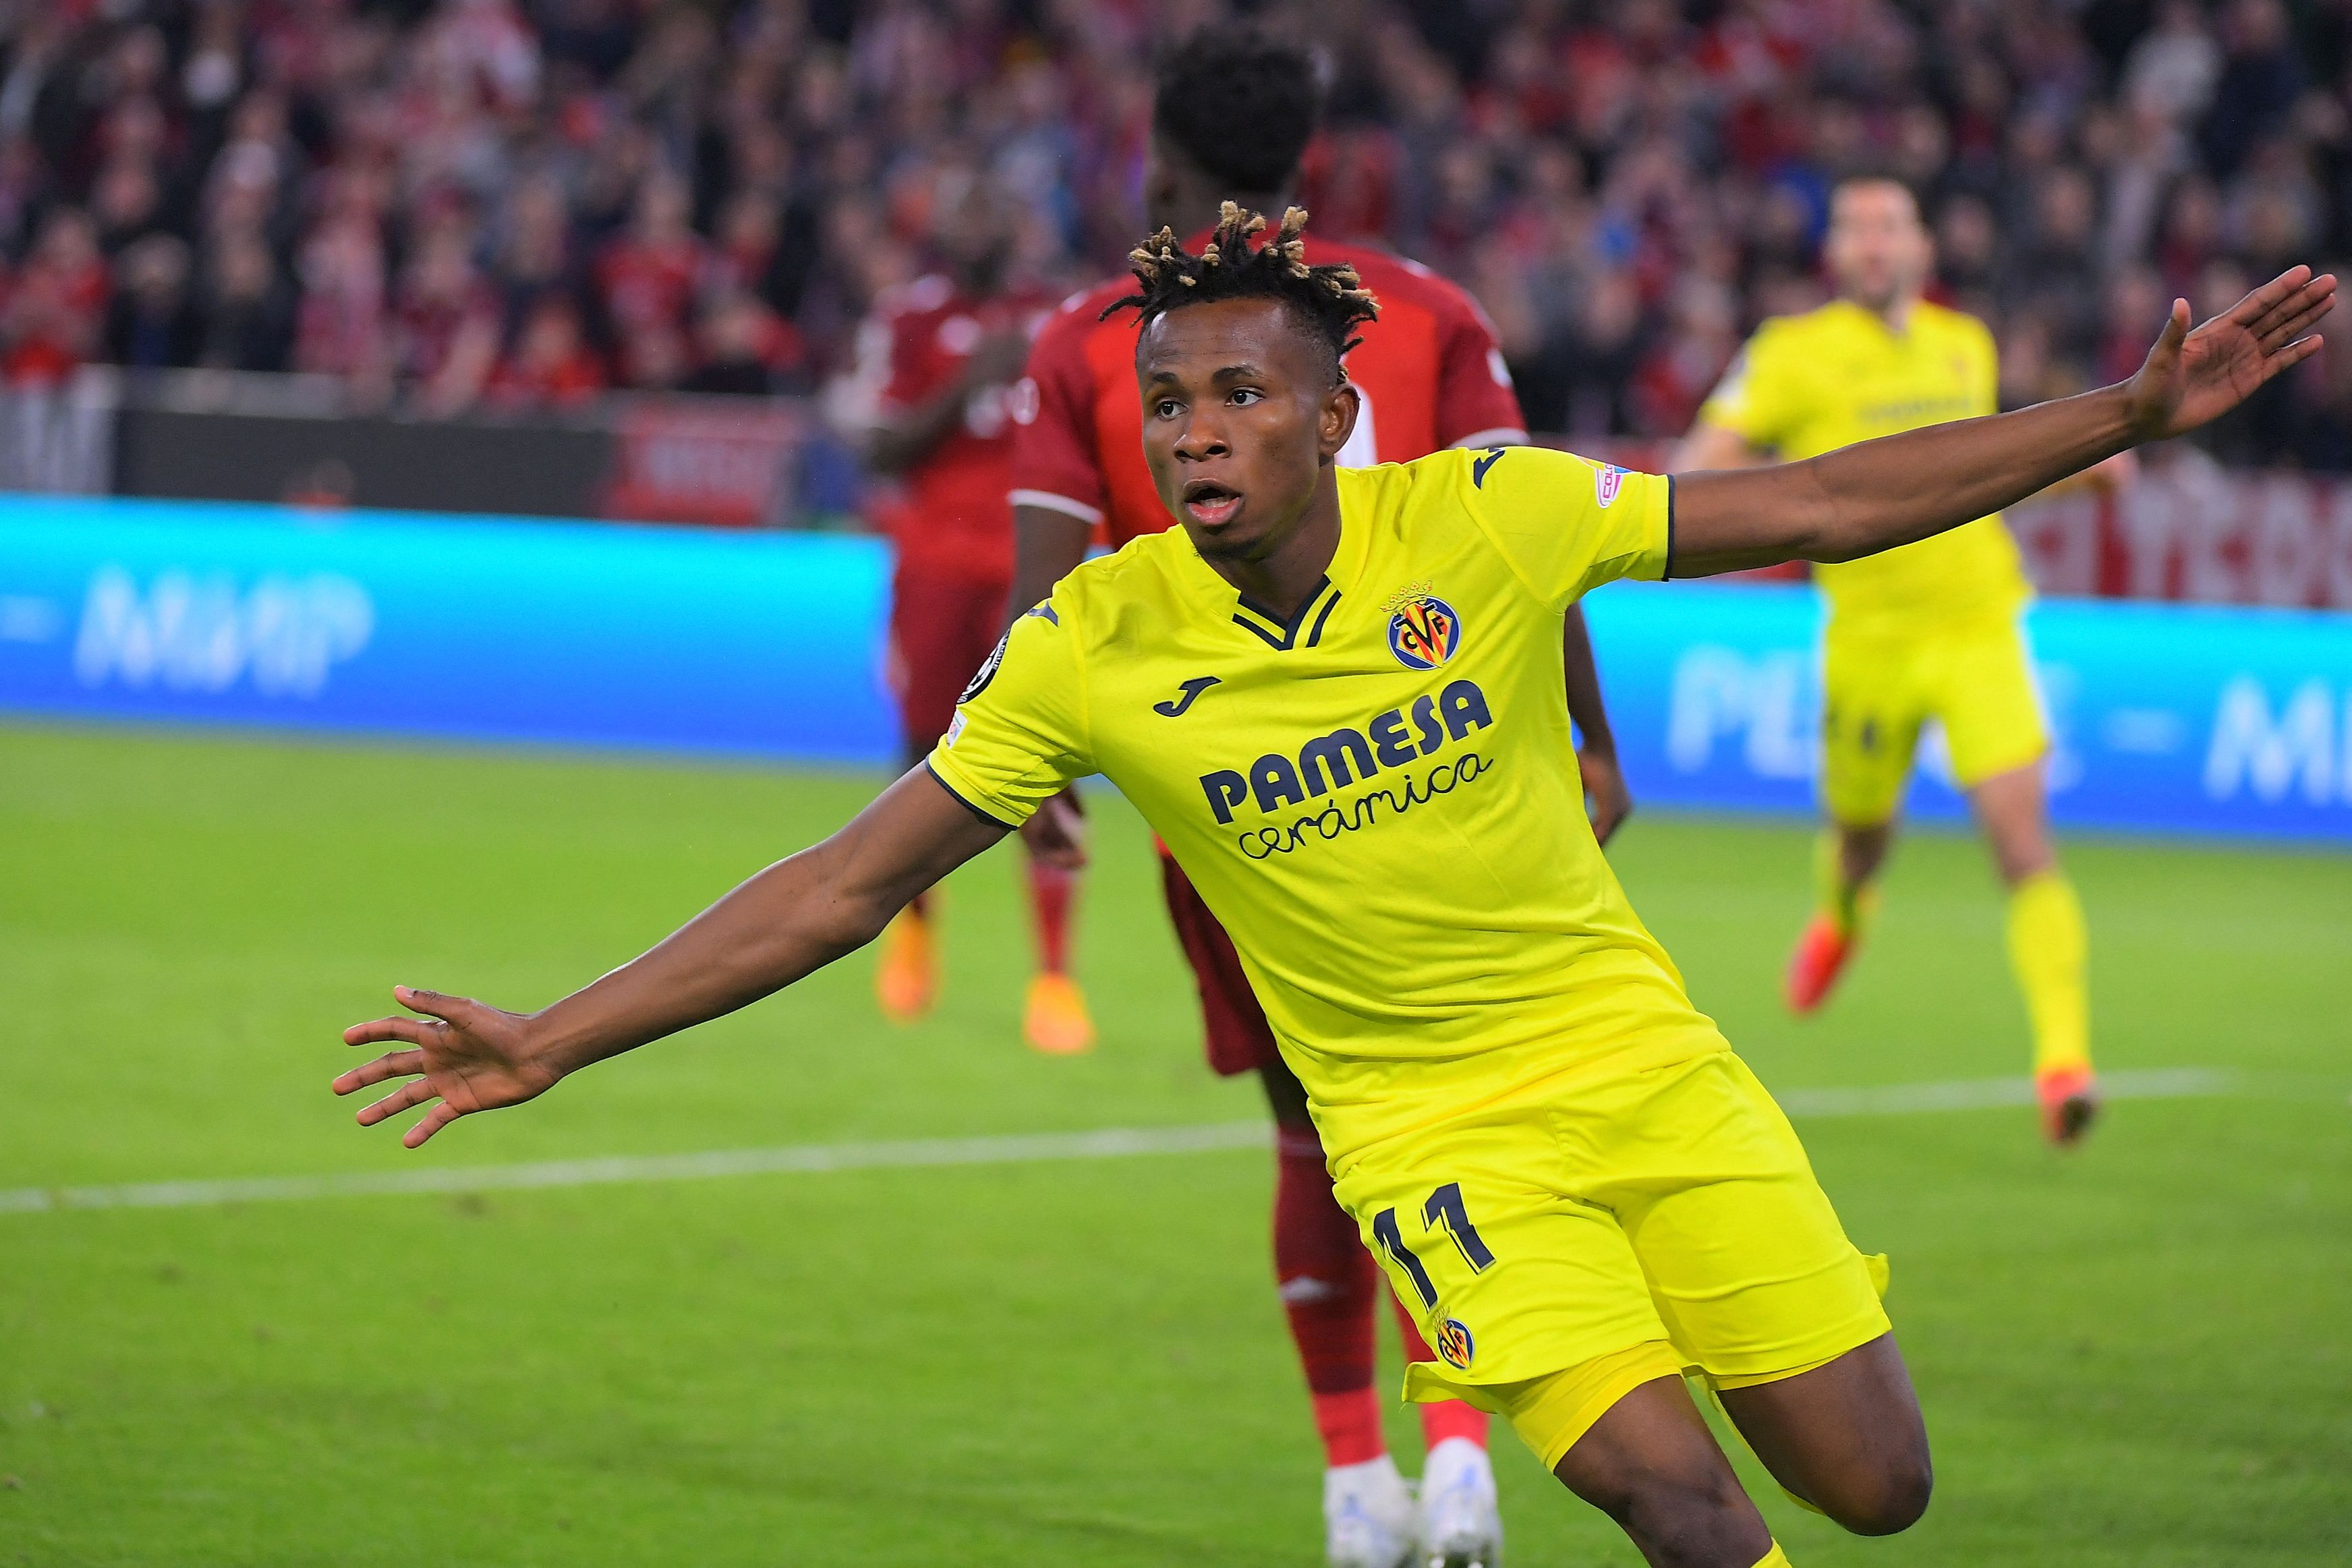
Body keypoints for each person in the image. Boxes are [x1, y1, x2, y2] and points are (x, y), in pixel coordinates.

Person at [334, 208, 2329, 1568]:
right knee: (1685, 1510)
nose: (1192, 430)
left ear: (1333, 417)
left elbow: (1817, 503)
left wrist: (2120, 422)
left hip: (1646, 1059)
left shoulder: (1494, 512)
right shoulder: (1093, 640)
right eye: (1166, 402)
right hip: (1431, 1138)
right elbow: (846, 883)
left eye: (1234, 398)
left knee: (1876, 1483)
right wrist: (555, 1038)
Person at [1005, 30, 1627, 1563]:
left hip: (1238, 799)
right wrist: (1592, 739)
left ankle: (1357, 1483)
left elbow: (1045, 582)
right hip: (1446, 768)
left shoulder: (1100, 337)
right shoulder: (1422, 310)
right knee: (1462, 1114)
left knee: (1317, 1132)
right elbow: (1530, 536)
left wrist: (1034, 776)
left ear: (1162, 157)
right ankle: (1466, 1452)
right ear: (1308, 158)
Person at [1672, 177, 2127, 1145]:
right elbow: (1694, 469)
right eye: (1856, 229)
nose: (1874, 244)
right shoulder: (1789, 355)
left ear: (1923, 246)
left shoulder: (1966, 345)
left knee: (2021, 838)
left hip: (1978, 624)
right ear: (1833, 254)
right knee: (1863, 834)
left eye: (1891, 226)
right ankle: (1844, 911)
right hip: (1868, 641)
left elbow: (1975, 481)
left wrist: (2076, 472)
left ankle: (2064, 1061)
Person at [842, 166, 1088, 1053]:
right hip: (937, 559)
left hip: (1035, 556)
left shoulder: (1058, 314)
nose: (980, 227)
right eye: (965, 210)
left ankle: (1055, 976)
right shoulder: (907, 319)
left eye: (994, 209)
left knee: (1048, 748)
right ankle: (914, 926)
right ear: (940, 227)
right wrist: (964, 385)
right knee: (922, 748)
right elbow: (877, 445)